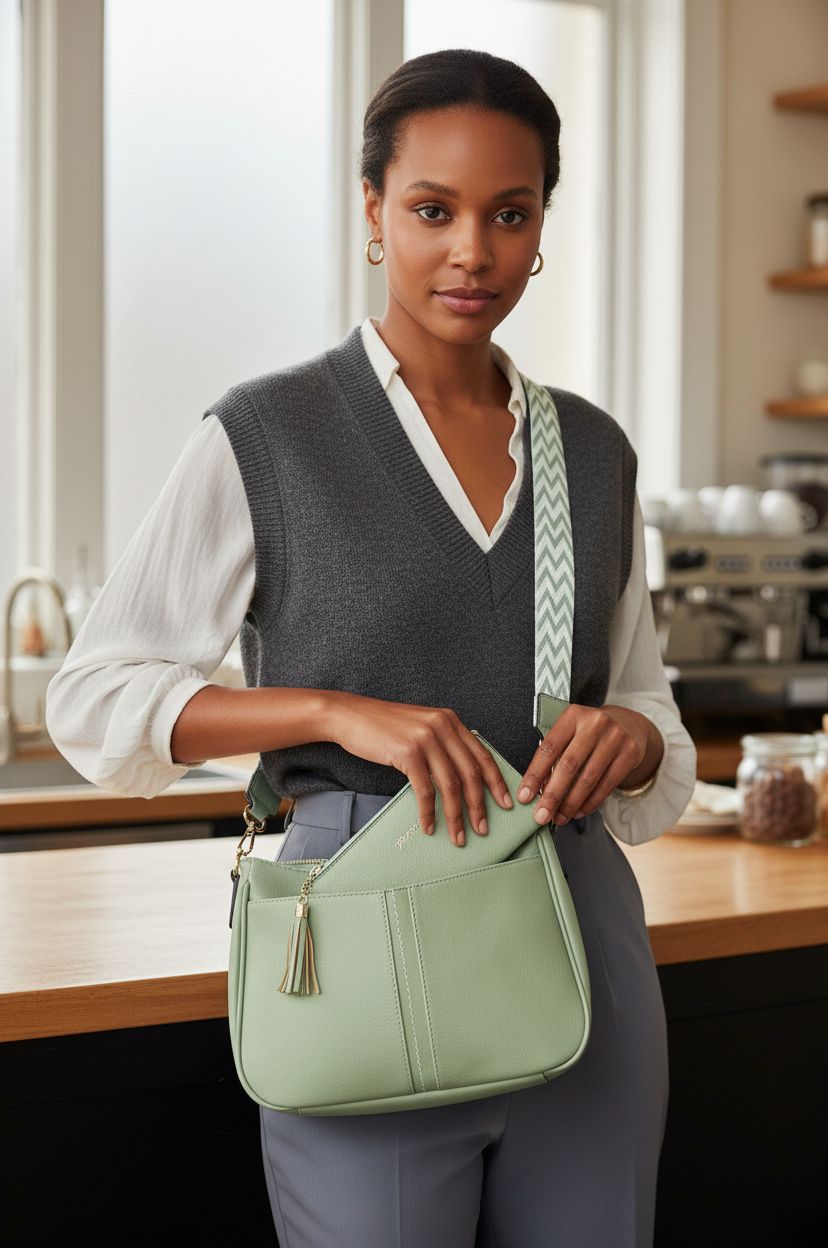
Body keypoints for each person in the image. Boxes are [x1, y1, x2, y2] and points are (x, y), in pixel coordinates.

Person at [46, 47, 696, 1248]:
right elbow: (95, 697)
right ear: (371, 214)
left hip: (580, 925)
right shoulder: (270, 433)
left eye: (509, 214)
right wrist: (334, 712)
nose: (471, 252)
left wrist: (634, 743)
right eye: (432, 210)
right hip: (356, 926)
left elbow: (655, 719)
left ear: (542, 224)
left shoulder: (594, 454)